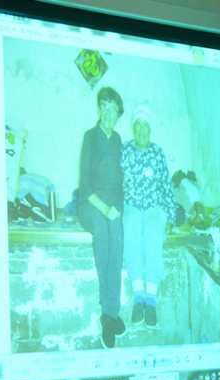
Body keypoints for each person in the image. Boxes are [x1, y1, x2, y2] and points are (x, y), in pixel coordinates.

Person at [121, 105, 178, 328]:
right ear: (133, 128)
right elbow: (116, 182)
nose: (142, 130)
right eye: (138, 125)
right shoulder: (125, 151)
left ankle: (151, 300)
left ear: (150, 129)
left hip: (155, 207)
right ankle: (138, 297)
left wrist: (171, 217)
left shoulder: (158, 152)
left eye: (145, 125)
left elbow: (166, 186)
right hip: (132, 206)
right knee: (131, 226)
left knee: (154, 232)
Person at [78, 86, 126, 349]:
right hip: (91, 204)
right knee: (103, 236)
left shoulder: (118, 140)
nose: (108, 112)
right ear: (99, 109)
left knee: (118, 237)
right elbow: (85, 188)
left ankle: (109, 314)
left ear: (118, 115)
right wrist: (105, 209)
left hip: (112, 205)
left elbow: (120, 183)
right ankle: (110, 312)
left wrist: (116, 208)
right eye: (105, 106)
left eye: (113, 109)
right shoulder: (90, 137)